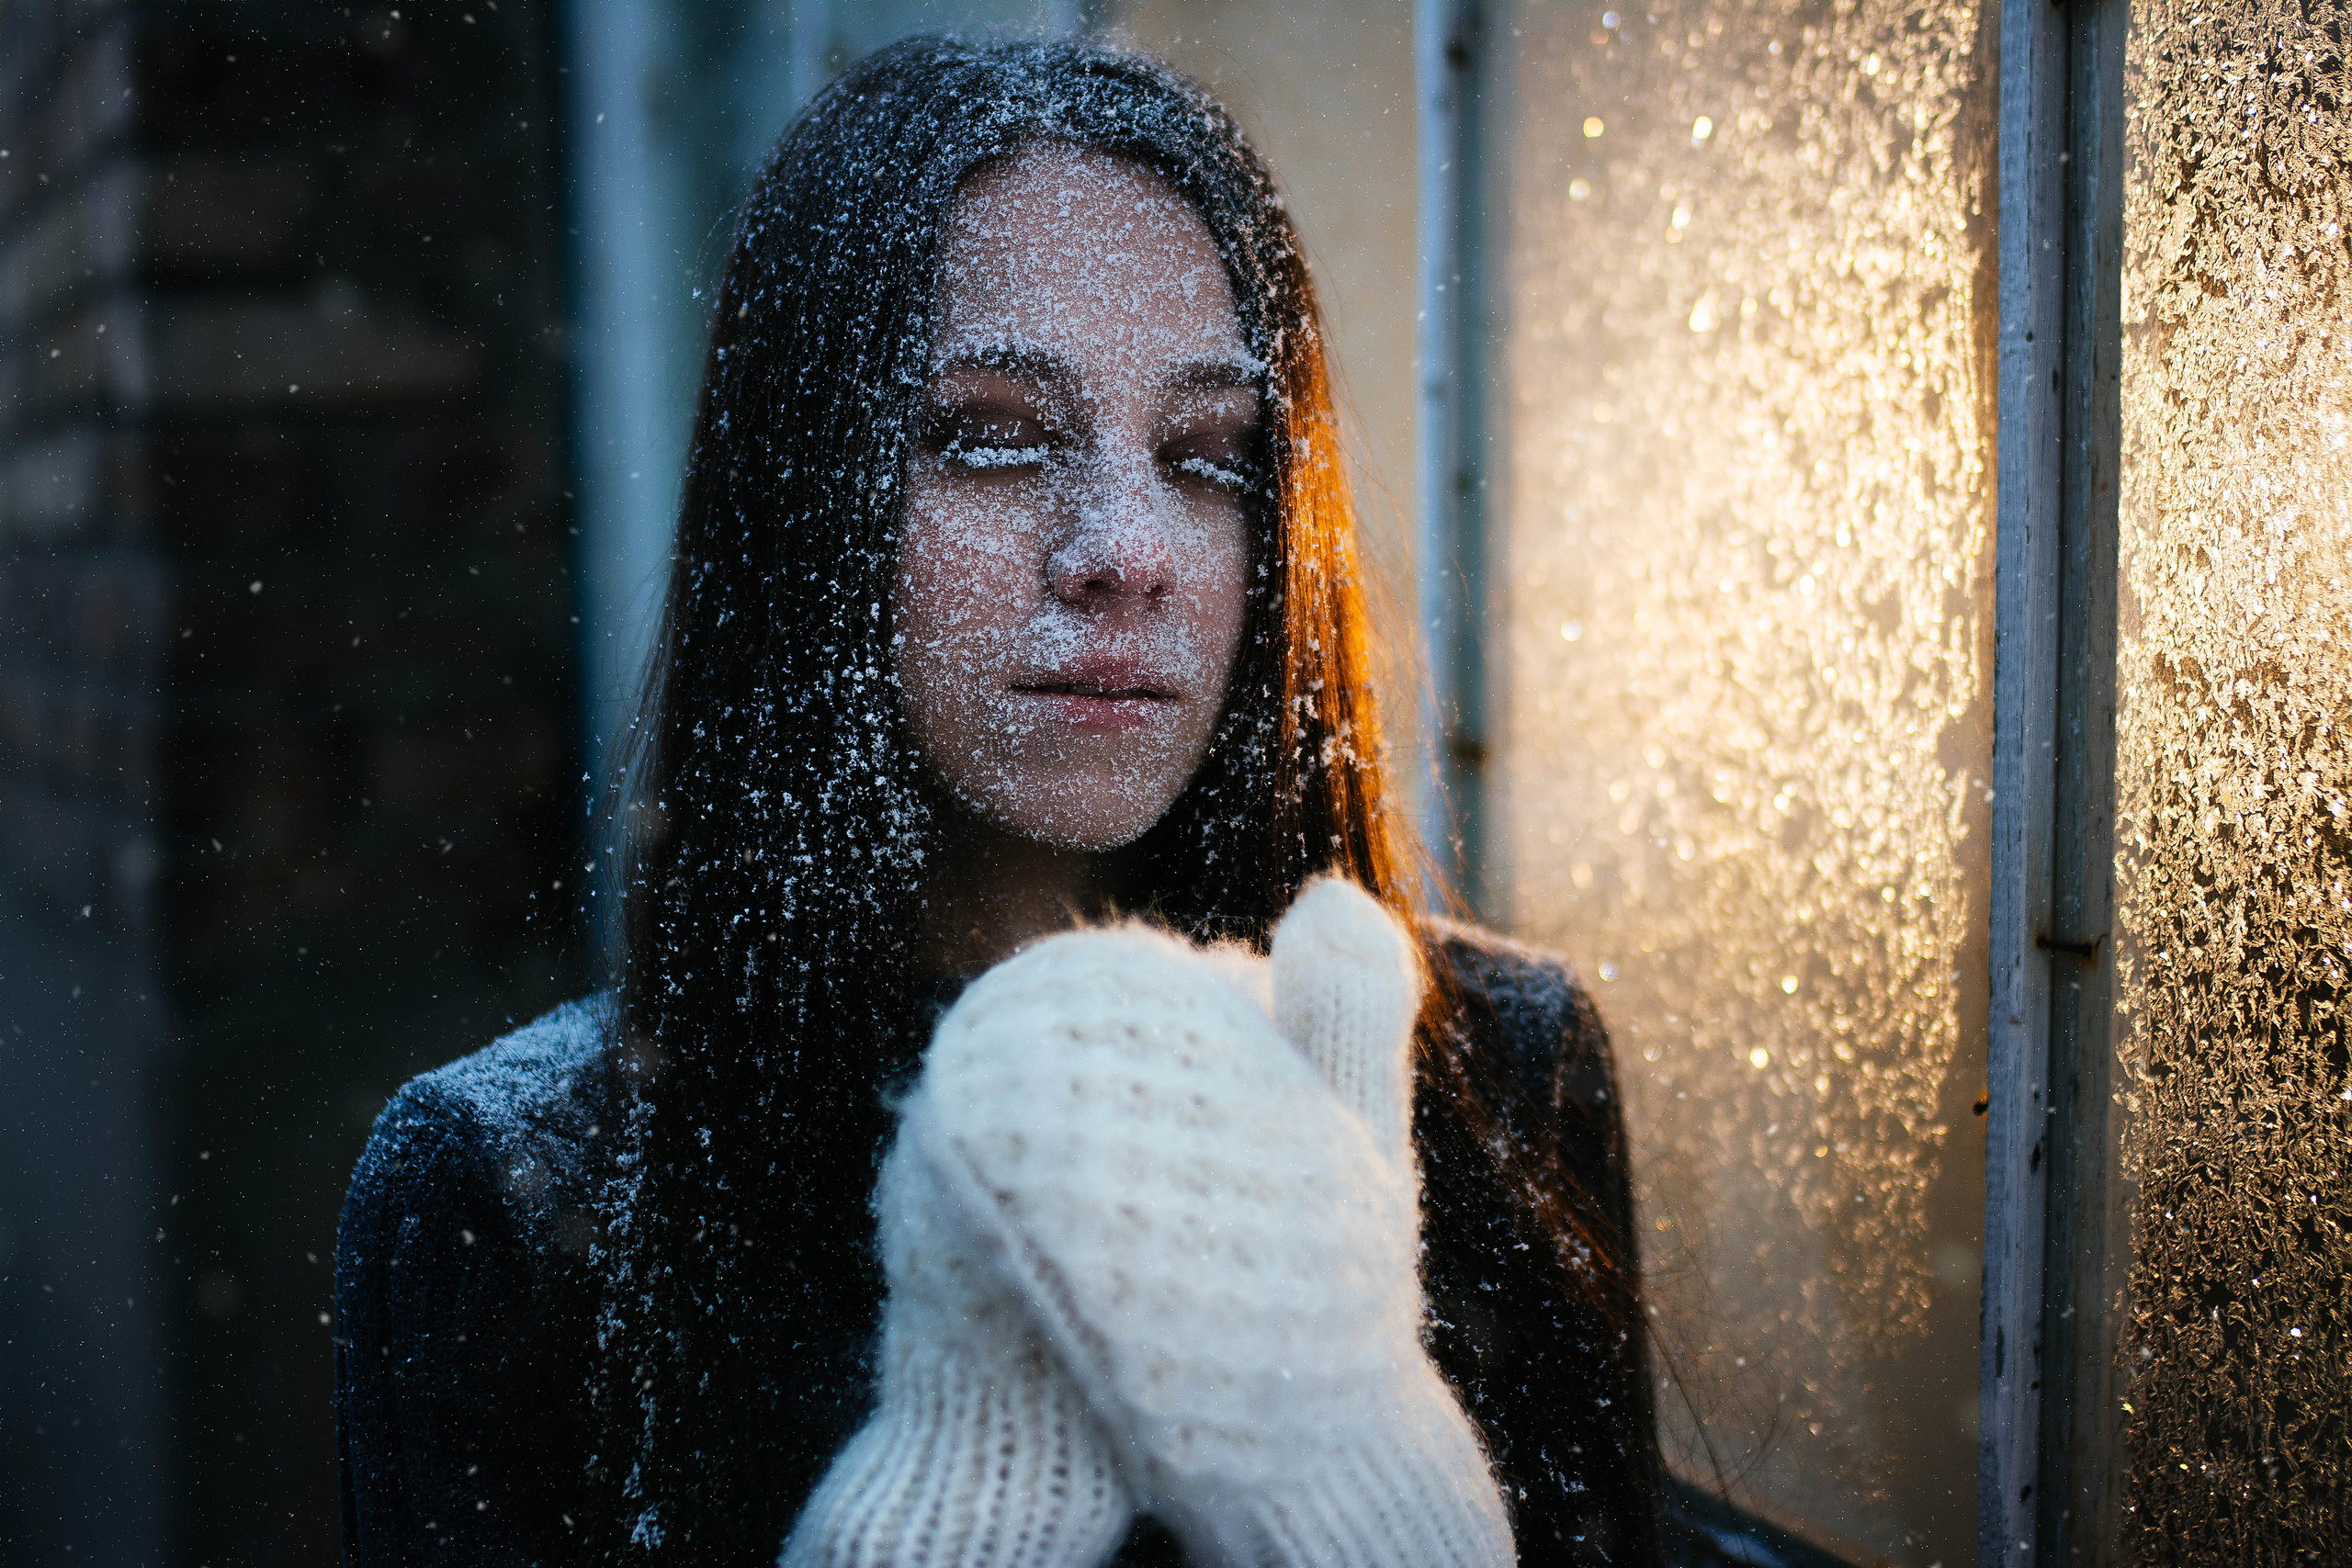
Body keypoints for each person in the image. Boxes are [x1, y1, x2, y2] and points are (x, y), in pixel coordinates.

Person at [334, 37, 1658, 1568]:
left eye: (1209, 457)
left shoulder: (1496, 1078)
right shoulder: (526, 1197)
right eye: (995, 437)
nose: (1126, 550)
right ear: (812, 493)